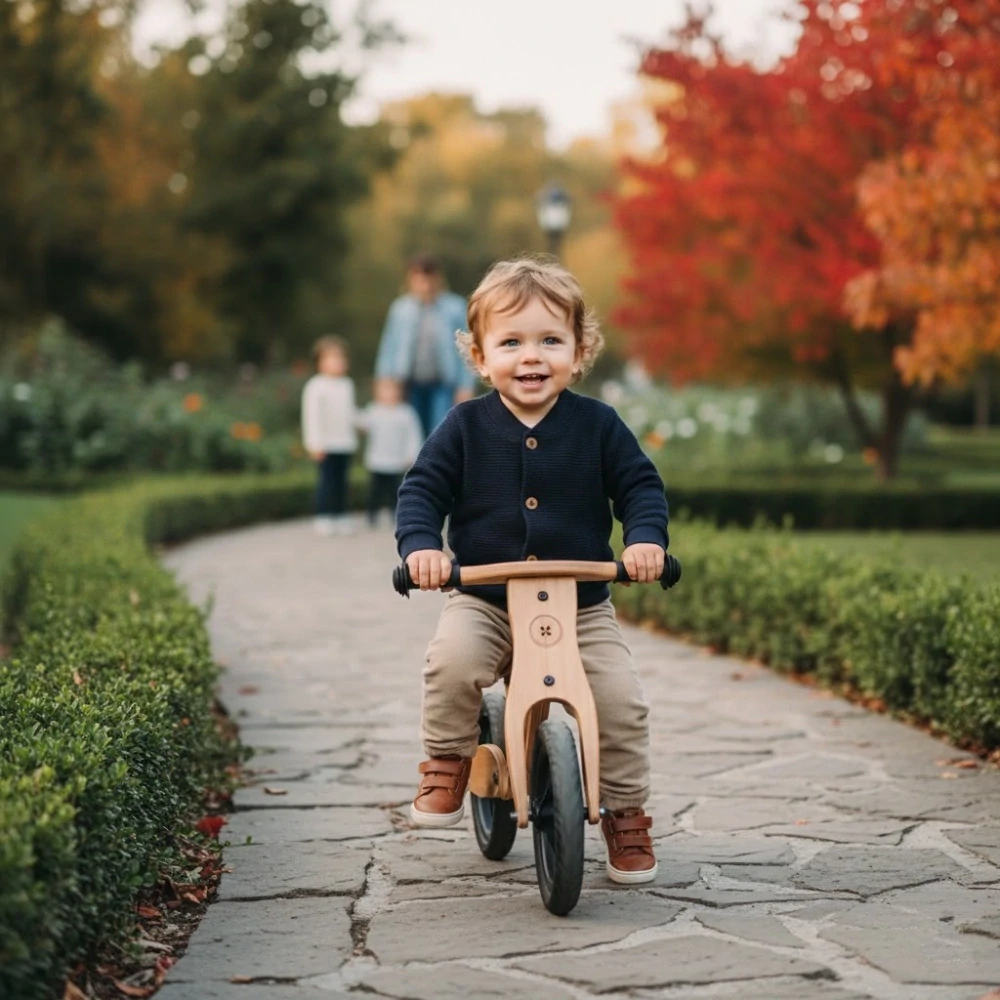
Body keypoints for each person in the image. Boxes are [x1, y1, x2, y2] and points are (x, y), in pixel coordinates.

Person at [395, 256, 669, 884]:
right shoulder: (464, 425)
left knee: (622, 703)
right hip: (485, 598)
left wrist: (644, 541)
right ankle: (446, 761)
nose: (531, 357)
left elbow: (640, 488)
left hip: (581, 604)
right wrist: (421, 550)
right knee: (452, 662)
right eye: (511, 342)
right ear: (480, 355)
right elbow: (422, 491)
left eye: (550, 340)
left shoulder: (597, 425)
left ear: (579, 350)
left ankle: (625, 813)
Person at [374, 253, 476, 437]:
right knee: (411, 435)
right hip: (408, 384)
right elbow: (389, 346)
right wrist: (384, 380)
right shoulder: (400, 309)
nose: (425, 285)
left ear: (437, 278)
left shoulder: (454, 307)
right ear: (411, 280)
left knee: (440, 433)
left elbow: (468, 349)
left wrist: (465, 385)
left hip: (443, 384)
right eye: (419, 279)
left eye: (429, 279)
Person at [301, 336, 357, 536]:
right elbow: (312, 417)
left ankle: (340, 515)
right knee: (327, 482)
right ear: (320, 362)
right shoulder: (316, 386)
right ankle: (324, 515)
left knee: (342, 483)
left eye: (341, 358)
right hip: (325, 444)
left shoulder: (347, 385)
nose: (338, 363)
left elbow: (350, 413)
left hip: (344, 443)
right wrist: (314, 444)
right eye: (332, 358)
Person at [357, 377, 423, 528]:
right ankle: (372, 515)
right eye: (385, 390)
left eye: (393, 390)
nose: (390, 394)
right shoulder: (374, 410)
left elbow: (413, 435)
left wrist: (412, 455)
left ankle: (397, 515)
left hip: (397, 461)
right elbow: (362, 424)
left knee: (396, 491)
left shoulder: (406, 412)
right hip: (377, 461)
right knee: (375, 492)